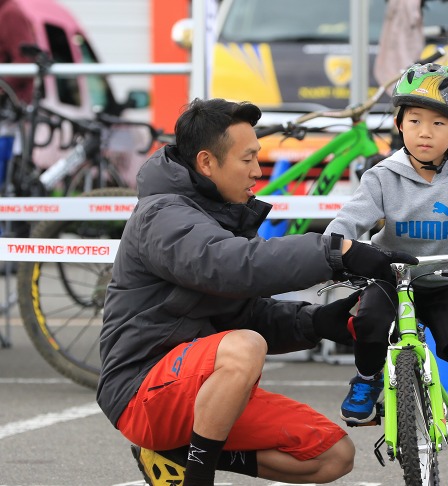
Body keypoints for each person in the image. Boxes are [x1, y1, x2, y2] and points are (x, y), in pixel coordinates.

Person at [96, 97, 418, 486]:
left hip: (202, 389)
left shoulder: (216, 212)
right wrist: (336, 252)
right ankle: (197, 480)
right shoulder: (162, 215)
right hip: (142, 390)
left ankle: (176, 456)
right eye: (247, 159)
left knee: (332, 456)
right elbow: (232, 266)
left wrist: (320, 322)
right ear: (206, 163)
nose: (257, 171)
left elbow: (242, 314)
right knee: (244, 347)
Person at [324, 63, 448, 450]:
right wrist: (336, 245)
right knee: (370, 319)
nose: (424, 132)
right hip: (393, 276)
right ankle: (366, 379)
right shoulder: (381, 177)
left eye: (438, 124)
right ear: (399, 123)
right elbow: (349, 219)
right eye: (414, 120)